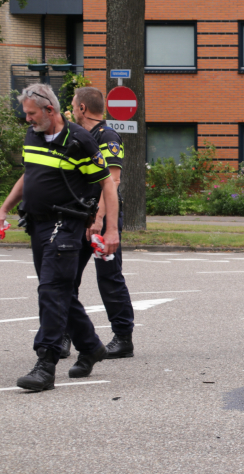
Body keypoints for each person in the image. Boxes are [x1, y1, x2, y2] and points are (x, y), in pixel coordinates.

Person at [0, 84, 121, 392]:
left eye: (31, 113)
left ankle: (45, 362)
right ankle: (90, 346)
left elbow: (108, 185)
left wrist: (109, 227)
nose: (27, 120)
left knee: (51, 289)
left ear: (50, 110)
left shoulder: (79, 141)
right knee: (60, 292)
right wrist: (3, 209)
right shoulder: (34, 136)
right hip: (36, 224)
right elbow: (29, 174)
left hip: (67, 223)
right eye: (26, 114)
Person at [58, 86, 135, 359]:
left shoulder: (107, 135)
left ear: (82, 108)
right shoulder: (78, 135)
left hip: (100, 218)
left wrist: (100, 219)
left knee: (109, 278)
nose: (70, 110)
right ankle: (64, 335)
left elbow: (112, 181)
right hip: (78, 217)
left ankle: (123, 337)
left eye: (73, 105)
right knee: (65, 278)